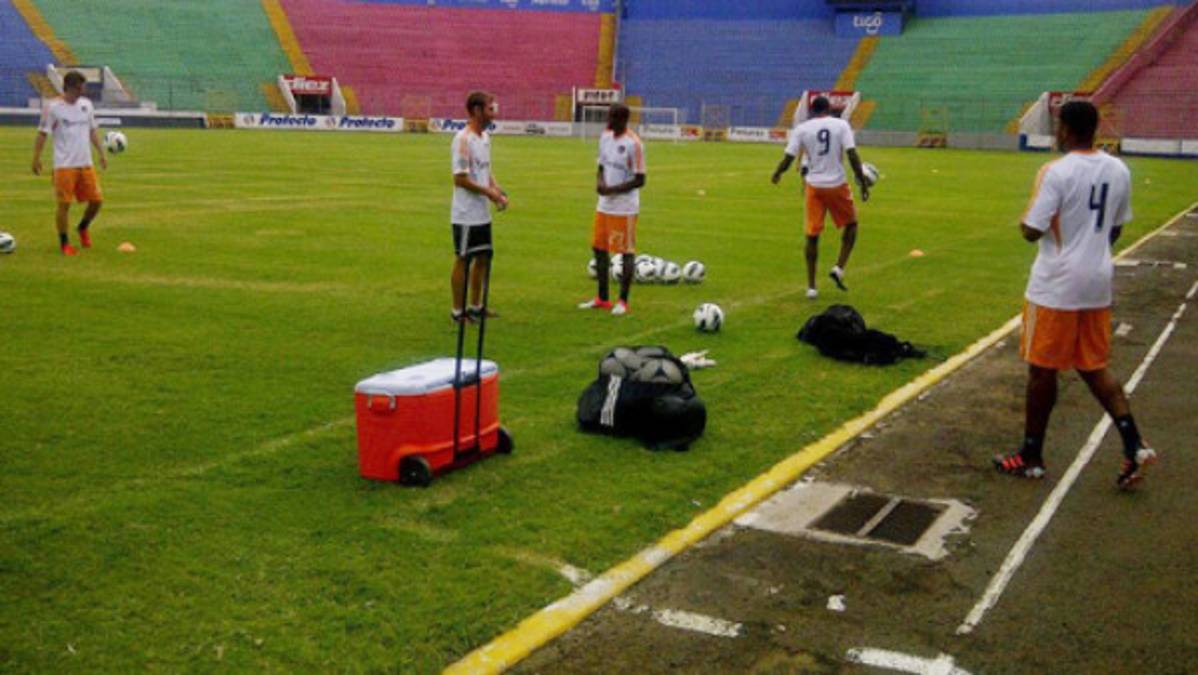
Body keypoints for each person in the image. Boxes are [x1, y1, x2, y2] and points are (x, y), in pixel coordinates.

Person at [993, 100, 1156, 490]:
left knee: (1042, 369)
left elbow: (1032, 230)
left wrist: (1027, 224)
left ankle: (1031, 456)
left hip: (1056, 285)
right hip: (1097, 281)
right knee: (1093, 365)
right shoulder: (1118, 168)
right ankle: (1134, 444)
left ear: (1066, 129)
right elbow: (1115, 229)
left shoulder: (1056, 171)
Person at [771, 96, 869, 299]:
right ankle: (839, 268)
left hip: (813, 187)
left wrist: (778, 172)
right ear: (830, 108)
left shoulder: (802, 129)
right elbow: (852, 154)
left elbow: (789, 158)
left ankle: (811, 287)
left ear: (812, 111)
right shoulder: (841, 125)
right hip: (837, 185)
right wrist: (862, 182)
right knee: (851, 225)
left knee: (812, 236)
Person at [578, 103, 645, 316]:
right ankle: (602, 298)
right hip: (604, 205)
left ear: (624, 120)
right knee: (598, 248)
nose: (610, 121)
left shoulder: (634, 144)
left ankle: (623, 301)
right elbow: (601, 165)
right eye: (609, 117)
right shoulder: (605, 136)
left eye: (614, 118)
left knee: (625, 252)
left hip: (625, 208)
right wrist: (599, 183)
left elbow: (640, 179)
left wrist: (612, 189)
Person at [31, 70, 107, 256]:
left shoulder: (86, 105)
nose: (84, 91)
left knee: (97, 201)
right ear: (71, 87)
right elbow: (42, 133)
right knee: (64, 204)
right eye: (81, 87)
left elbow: (92, 130)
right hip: (64, 165)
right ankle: (64, 242)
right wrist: (36, 157)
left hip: (85, 163)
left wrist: (101, 153)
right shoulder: (54, 107)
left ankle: (82, 227)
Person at [450, 91, 508, 324]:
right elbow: (460, 179)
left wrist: (497, 190)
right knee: (463, 259)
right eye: (490, 109)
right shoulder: (463, 140)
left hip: (482, 213)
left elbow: (486, 169)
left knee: (483, 258)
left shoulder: (485, 138)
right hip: (465, 214)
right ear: (476, 110)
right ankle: (457, 311)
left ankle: (476, 306)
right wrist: (489, 192)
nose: (493, 114)